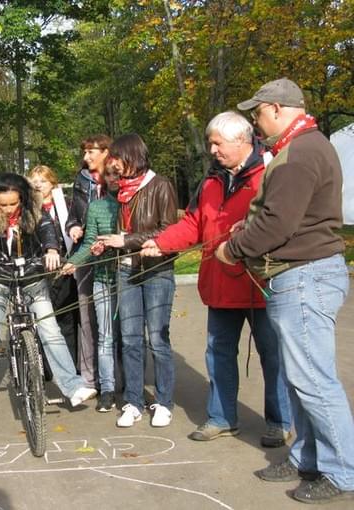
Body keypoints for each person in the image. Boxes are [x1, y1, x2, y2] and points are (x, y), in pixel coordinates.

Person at [216, 78, 354, 504]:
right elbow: (282, 215)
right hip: (300, 275)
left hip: (304, 277)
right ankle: (306, 458)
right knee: (301, 379)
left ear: (277, 108)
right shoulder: (303, 146)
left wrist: (233, 248)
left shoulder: (299, 153)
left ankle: (342, 471)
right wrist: (249, 227)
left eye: (257, 113)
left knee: (314, 381)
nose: (256, 121)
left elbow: (279, 224)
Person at [142, 111, 292, 447]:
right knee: (219, 354)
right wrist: (160, 243)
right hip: (220, 285)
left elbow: (279, 224)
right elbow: (193, 224)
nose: (212, 149)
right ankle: (222, 418)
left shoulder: (270, 174)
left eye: (217, 143)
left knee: (274, 357)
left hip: (262, 284)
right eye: (210, 143)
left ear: (242, 141)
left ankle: (280, 422)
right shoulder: (210, 182)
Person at [0, 173, 97, 415]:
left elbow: (47, 230)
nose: (10, 209)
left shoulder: (33, 210)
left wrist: (51, 250)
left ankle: (72, 388)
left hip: (31, 275)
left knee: (50, 330)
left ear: (22, 198)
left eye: (14, 203)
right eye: (3, 204)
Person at [94, 134, 178, 428]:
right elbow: (120, 231)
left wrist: (125, 240)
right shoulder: (119, 191)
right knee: (129, 340)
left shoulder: (160, 185)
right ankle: (133, 402)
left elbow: (169, 232)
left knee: (157, 339)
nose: (112, 163)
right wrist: (107, 243)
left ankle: (164, 402)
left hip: (157, 271)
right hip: (125, 271)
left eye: (116, 157)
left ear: (132, 156)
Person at [61, 162, 123, 412]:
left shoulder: (132, 202)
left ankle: (132, 387)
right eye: (108, 175)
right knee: (105, 336)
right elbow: (89, 243)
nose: (113, 178)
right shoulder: (97, 207)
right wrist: (73, 262)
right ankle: (107, 389)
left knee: (130, 337)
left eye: (116, 174)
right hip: (103, 278)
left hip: (130, 279)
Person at [66, 134, 112, 388]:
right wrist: (72, 226)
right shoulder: (81, 179)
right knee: (87, 316)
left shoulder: (118, 176)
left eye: (91, 152)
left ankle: (116, 377)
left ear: (106, 152)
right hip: (84, 252)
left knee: (112, 318)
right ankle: (89, 377)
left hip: (111, 254)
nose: (86, 158)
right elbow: (73, 213)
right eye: (84, 152)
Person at [28, 165, 79, 364]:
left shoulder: (65, 205)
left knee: (66, 319)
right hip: (38, 270)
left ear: (53, 183)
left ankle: (71, 364)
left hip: (65, 268)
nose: (38, 185)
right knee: (42, 319)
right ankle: (45, 366)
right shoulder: (28, 207)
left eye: (43, 181)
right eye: (35, 181)